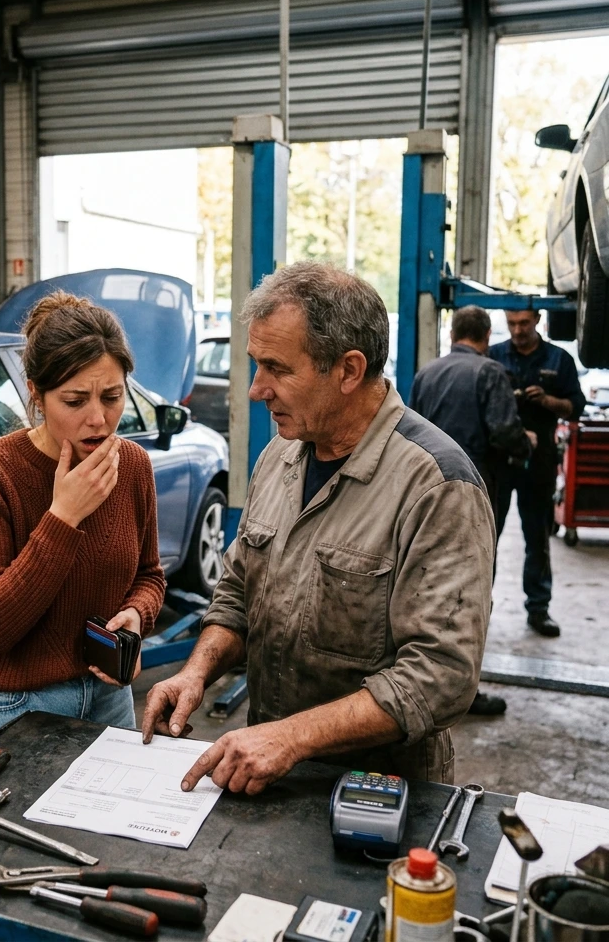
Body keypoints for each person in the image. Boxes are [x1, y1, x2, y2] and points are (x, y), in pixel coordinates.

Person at [142, 263, 495, 791]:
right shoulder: (280, 456)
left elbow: (439, 676)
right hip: (263, 773)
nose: (257, 389)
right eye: (255, 365)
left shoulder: (437, 487)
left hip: (379, 793)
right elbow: (239, 593)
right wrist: (197, 671)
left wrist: (292, 738)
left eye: (277, 369)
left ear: (349, 370)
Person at [0, 290, 165, 753]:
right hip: (12, 706)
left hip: (110, 697)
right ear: (36, 394)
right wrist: (63, 516)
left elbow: (149, 575)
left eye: (112, 397)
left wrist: (136, 616)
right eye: (74, 400)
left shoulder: (131, 465)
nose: (99, 419)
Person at [409, 305, 537, 717]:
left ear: (453, 333)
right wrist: (527, 442)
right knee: (469, 592)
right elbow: (503, 431)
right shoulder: (490, 372)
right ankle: (463, 694)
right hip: (473, 496)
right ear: (485, 336)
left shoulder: (427, 373)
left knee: (420, 587)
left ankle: (416, 683)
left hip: (420, 494)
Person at [489, 310, 585, 638]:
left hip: (540, 462)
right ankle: (475, 609)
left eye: (524, 324)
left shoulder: (559, 359)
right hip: (499, 462)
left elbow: (576, 406)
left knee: (538, 539)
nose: (517, 330)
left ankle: (539, 609)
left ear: (537, 319)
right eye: (512, 323)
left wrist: (548, 400)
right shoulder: (494, 355)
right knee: (486, 538)